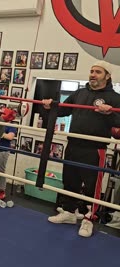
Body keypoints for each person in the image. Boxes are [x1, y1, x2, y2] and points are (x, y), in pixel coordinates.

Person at [43, 60, 120, 238]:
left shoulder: (115, 98)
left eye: (98, 72)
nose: (93, 74)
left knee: (92, 186)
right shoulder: (80, 93)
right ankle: (69, 213)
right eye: (92, 71)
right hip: (74, 144)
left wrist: (111, 113)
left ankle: (89, 219)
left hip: (95, 148)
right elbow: (63, 110)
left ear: (107, 76)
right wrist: (50, 105)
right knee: (70, 181)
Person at [0, 108, 17, 200]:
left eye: (3, 114)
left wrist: (0, 134)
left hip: (2, 151)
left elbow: (10, 137)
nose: (0, 115)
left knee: (0, 171)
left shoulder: (11, 125)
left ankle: (2, 191)